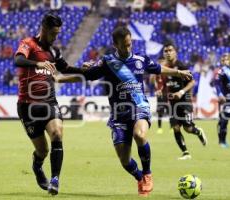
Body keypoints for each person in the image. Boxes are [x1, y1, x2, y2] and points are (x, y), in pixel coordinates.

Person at [54, 26, 192, 197]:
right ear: (115, 45)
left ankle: (147, 174)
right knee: (124, 160)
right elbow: (85, 75)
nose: (128, 48)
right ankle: (140, 177)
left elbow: (158, 68)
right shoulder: (107, 62)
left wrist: (178, 72)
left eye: (129, 43)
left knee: (140, 135)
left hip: (140, 106)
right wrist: (61, 79)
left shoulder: (140, 59)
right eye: (124, 45)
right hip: (119, 114)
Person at [14, 13, 88, 195]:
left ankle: (55, 180)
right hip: (27, 105)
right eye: (53, 33)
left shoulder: (54, 51)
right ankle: (37, 167)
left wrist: (85, 70)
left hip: (48, 101)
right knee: (42, 150)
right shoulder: (28, 44)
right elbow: (18, 60)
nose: (56, 37)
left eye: (58, 33)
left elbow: (65, 68)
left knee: (57, 133)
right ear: (44, 29)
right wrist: (39, 63)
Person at [158, 43, 207, 160]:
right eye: (166, 51)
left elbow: (192, 82)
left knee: (188, 129)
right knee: (175, 127)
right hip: (172, 103)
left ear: (175, 52)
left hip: (184, 102)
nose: (168, 53)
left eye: (170, 50)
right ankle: (186, 153)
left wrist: (181, 92)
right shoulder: (164, 68)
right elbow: (164, 84)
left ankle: (198, 132)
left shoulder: (181, 66)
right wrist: (161, 90)